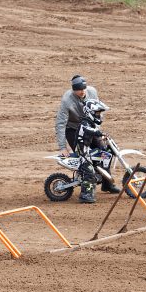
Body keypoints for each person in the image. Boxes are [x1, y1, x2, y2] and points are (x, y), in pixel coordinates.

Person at [54, 74, 120, 202]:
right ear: (73, 89)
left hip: (90, 127)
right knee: (86, 159)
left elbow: (98, 111)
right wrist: (63, 147)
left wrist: (98, 132)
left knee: (105, 152)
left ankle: (107, 184)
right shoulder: (67, 100)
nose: (82, 91)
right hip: (74, 130)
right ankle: (86, 192)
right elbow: (60, 123)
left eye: (84, 88)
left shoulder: (92, 91)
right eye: (79, 89)